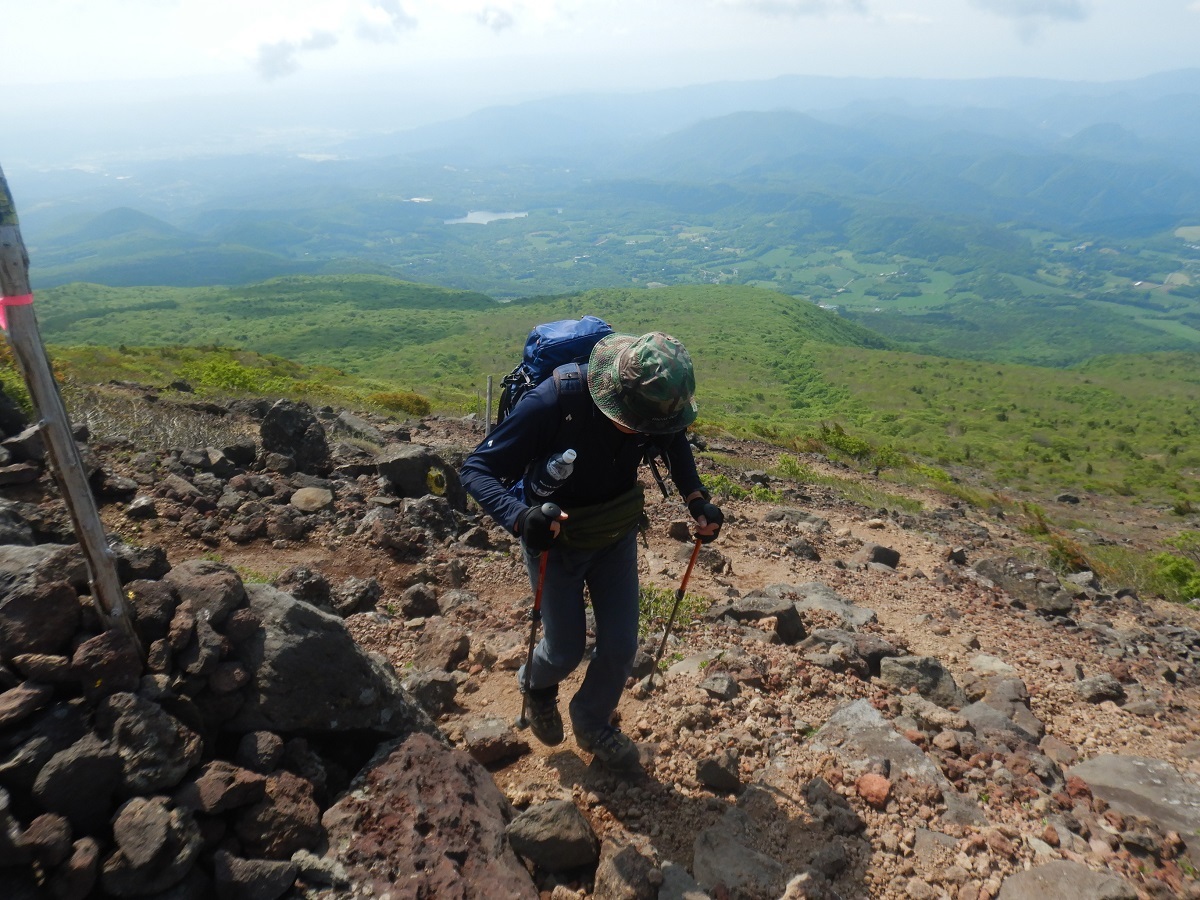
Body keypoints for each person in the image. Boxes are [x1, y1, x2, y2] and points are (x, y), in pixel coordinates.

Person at [460, 329, 723, 770]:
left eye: (654, 424)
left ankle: (591, 722)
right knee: (563, 650)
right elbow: (477, 468)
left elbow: (673, 440)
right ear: (612, 393)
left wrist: (695, 497)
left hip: (614, 533)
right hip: (556, 542)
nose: (648, 431)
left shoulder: (654, 412)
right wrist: (522, 518)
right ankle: (536, 685)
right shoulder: (555, 401)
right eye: (638, 423)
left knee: (621, 647)